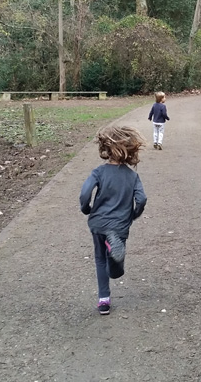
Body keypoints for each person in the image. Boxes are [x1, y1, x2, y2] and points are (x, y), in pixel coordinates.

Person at [79, 125, 147, 315]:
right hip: (119, 225)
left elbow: (85, 194)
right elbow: (141, 199)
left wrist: (87, 209)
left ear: (106, 148)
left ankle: (103, 300)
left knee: (99, 259)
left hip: (98, 223)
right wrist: (134, 214)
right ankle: (115, 257)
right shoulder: (132, 176)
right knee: (114, 267)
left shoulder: (98, 173)